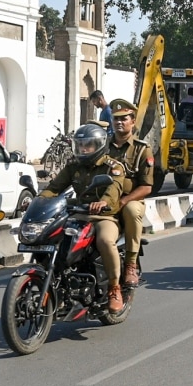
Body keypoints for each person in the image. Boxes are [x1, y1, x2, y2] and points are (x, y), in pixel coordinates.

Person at [39, 123, 129, 313]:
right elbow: (54, 188)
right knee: (54, 237)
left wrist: (102, 202)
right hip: (79, 214)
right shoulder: (74, 166)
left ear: (99, 145)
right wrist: (37, 200)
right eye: (80, 145)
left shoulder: (113, 167)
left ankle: (114, 288)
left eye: (88, 145)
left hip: (104, 216)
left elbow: (113, 192)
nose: (83, 149)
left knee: (105, 241)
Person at [105, 99, 154, 289]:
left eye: (124, 118)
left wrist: (125, 200)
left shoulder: (142, 149)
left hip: (129, 199)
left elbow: (146, 187)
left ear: (132, 121)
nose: (119, 122)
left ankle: (131, 264)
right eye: (115, 118)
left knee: (133, 211)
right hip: (103, 199)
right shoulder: (103, 145)